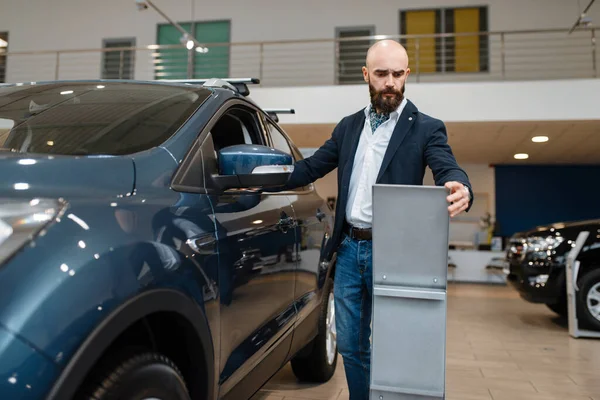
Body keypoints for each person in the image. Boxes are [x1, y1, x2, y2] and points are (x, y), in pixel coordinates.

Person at [282, 39, 473, 399]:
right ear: (366, 75)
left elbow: (447, 166)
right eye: (382, 74)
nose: (390, 82)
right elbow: (308, 169)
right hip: (351, 251)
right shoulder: (348, 127)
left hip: (395, 253)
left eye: (398, 74)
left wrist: (461, 185)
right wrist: (259, 177)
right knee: (352, 347)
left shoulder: (426, 128)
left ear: (407, 75)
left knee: (395, 347)